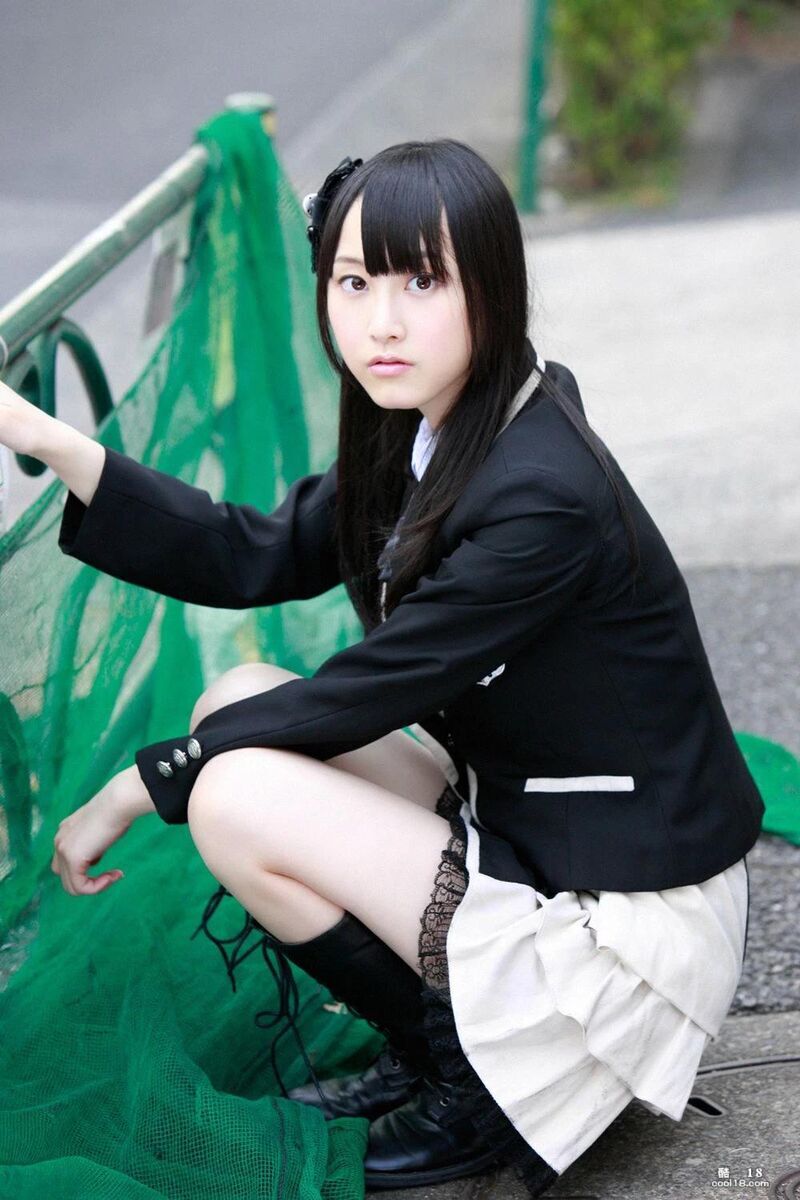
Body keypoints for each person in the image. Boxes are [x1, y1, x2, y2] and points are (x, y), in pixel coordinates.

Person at [0, 138, 763, 1198]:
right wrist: (46, 440)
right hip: (529, 816)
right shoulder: (435, 428)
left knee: (230, 792)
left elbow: (368, 690)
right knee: (238, 700)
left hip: (627, 911)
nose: (381, 322)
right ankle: (431, 1050)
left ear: (492, 288)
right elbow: (251, 551)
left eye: (422, 282)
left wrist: (138, 785)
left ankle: (479, 1089)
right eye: (354, 283)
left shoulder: (539, 493)